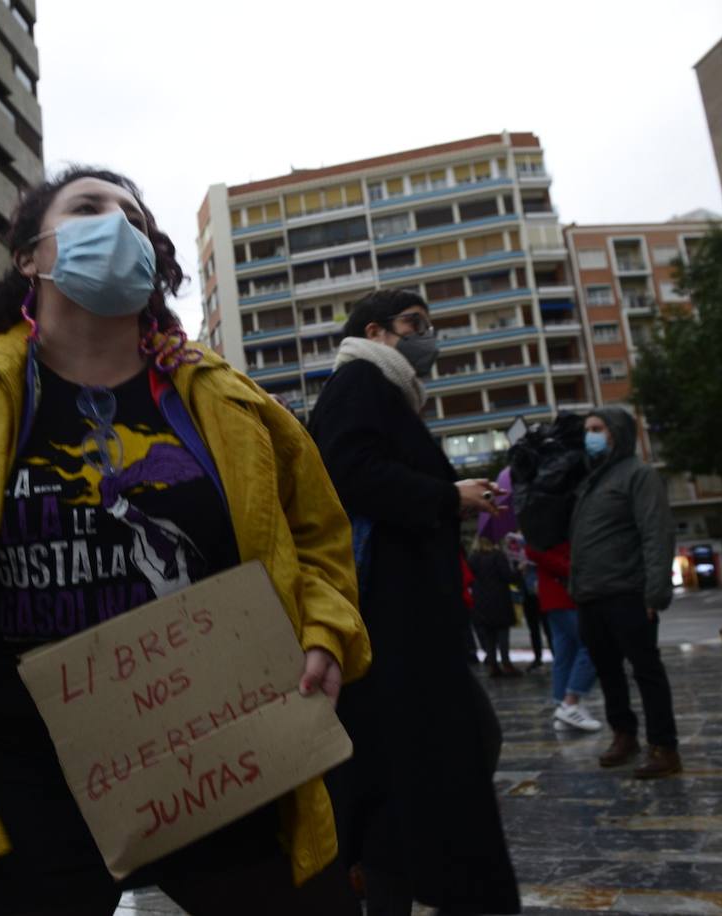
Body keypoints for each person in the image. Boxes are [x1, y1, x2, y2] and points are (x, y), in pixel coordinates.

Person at [0, 167, 371, 915]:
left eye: (135, 219)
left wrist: (324, 632)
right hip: (18, 775)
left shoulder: (232, 405)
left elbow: (318, 541)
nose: (116, 224)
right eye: (88, 208)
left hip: (223, 747)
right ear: (29, 256)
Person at [307, 287, 521, 916]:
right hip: (388, 620)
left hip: (405, 619)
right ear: (376, 332)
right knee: (435, 754)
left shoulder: (384, 390)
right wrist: (447, 497)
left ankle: (387, 879)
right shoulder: (359, 383)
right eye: (414, 324)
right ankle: (388, 877)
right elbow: (352, 473)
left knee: (404, 770)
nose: (428, 336)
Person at [570, 408, 680, 779]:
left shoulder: (639, 475)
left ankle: (664, 746)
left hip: (628, 593)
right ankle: (624, 734)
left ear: (617, 432)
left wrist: (655, 593)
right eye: (588, 430)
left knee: (646, 670)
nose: (590, 436)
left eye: (597, 429)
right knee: (607, 671)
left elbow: (656, 533)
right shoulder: (591, 480)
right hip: (591, 595)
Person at [525, 542, 602, 733]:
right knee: (592, 643)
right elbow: (536, 551)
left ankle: (563, 707)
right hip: (563, 591)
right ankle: (571, 703)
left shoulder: (543, 520)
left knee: (566, 651)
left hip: (555, 593)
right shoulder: (548, 520)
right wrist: (574, 569)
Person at [468, 538, 521, 679]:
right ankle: (506, 663)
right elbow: (508, 577)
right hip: (499, 599)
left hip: (481, 600)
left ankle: (493, 664)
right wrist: (519, 570)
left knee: (488, 634)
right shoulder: (498, 555)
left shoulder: (473, 557)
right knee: (502, 633)